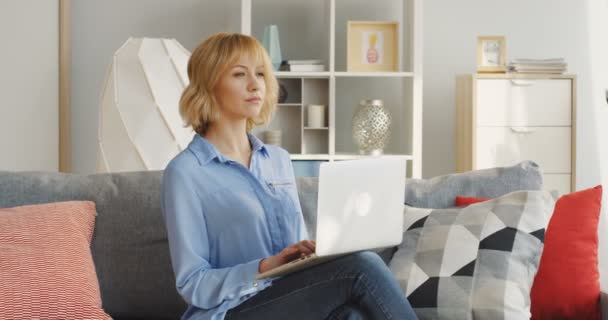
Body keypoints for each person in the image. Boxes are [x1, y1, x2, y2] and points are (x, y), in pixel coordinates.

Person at [161, 32, 418, 320]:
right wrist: (266, 266)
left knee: (351, 316)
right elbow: (193, 283)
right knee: (362, 266)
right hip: (231, 312)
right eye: (239, 74)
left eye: (260, 73)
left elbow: (296, 250)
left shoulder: (279, 160)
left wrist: (310, 255)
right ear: (209, 85)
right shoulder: (185, 172)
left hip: (292, 300)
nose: (254, 84)